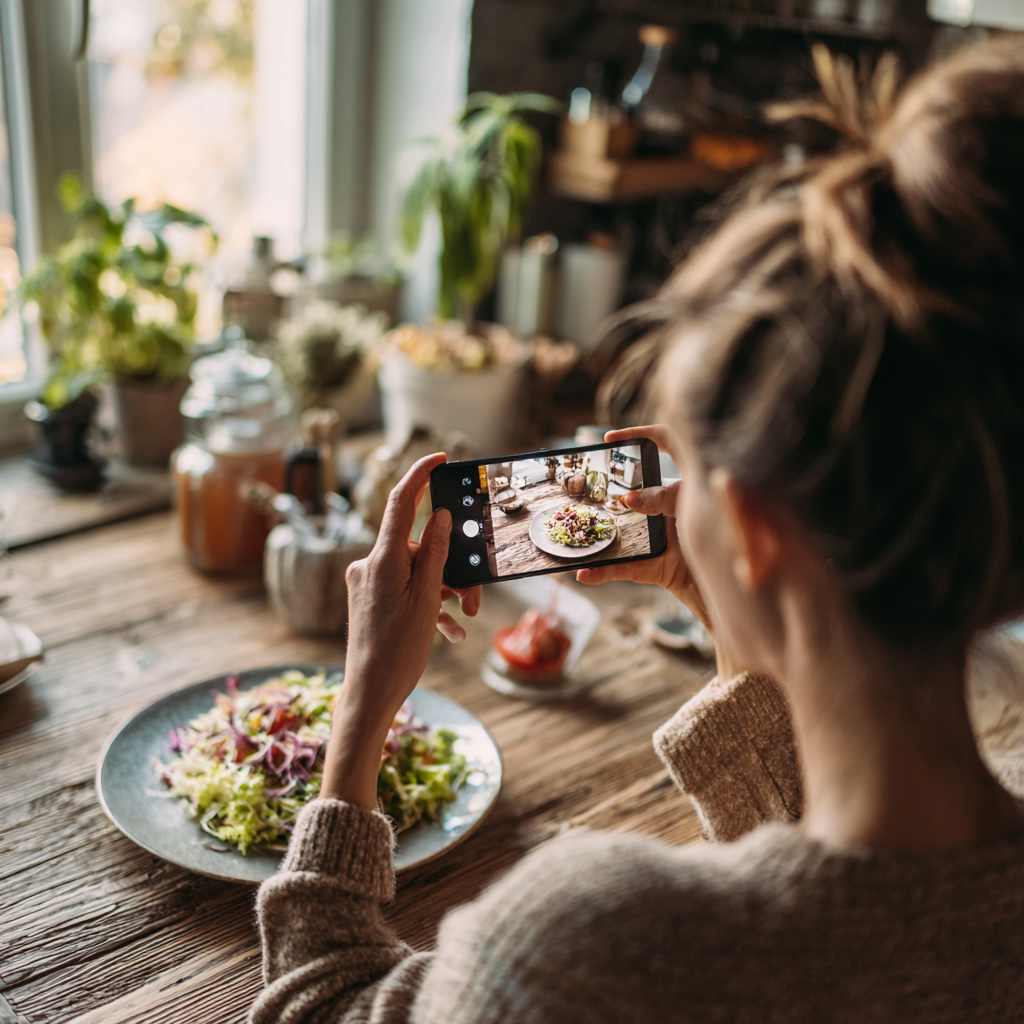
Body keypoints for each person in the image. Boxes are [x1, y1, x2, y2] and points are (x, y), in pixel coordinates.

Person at [250, 37, 1024, 1024]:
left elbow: (320, 1007)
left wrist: (358, 722)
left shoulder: (589, 948)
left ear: (746, 523)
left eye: (692, 471)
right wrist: (747, 627)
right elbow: (853, 912)